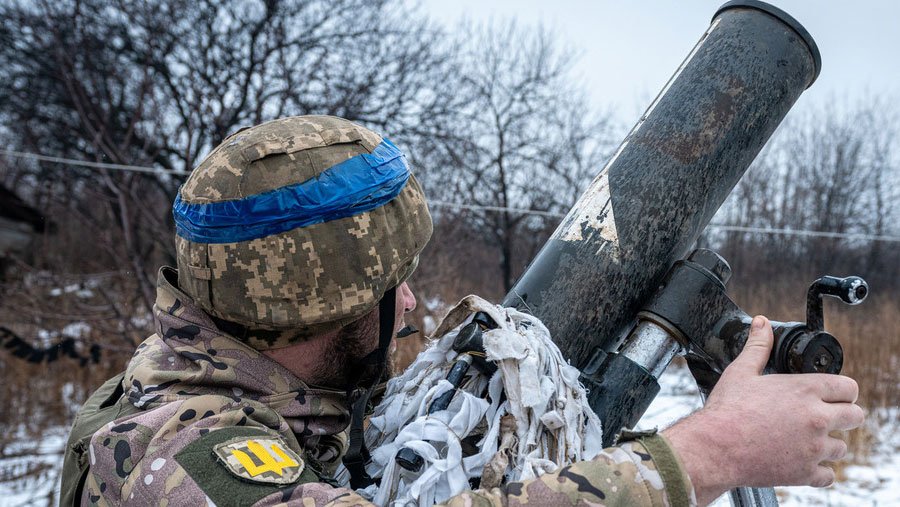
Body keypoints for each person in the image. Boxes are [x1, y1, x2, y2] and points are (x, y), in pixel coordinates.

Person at [61, 115, 865, 506]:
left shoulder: (272, 390)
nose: (411, 300)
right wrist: (709, 452)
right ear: (320, 305)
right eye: (392, 283)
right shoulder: (176, 458)